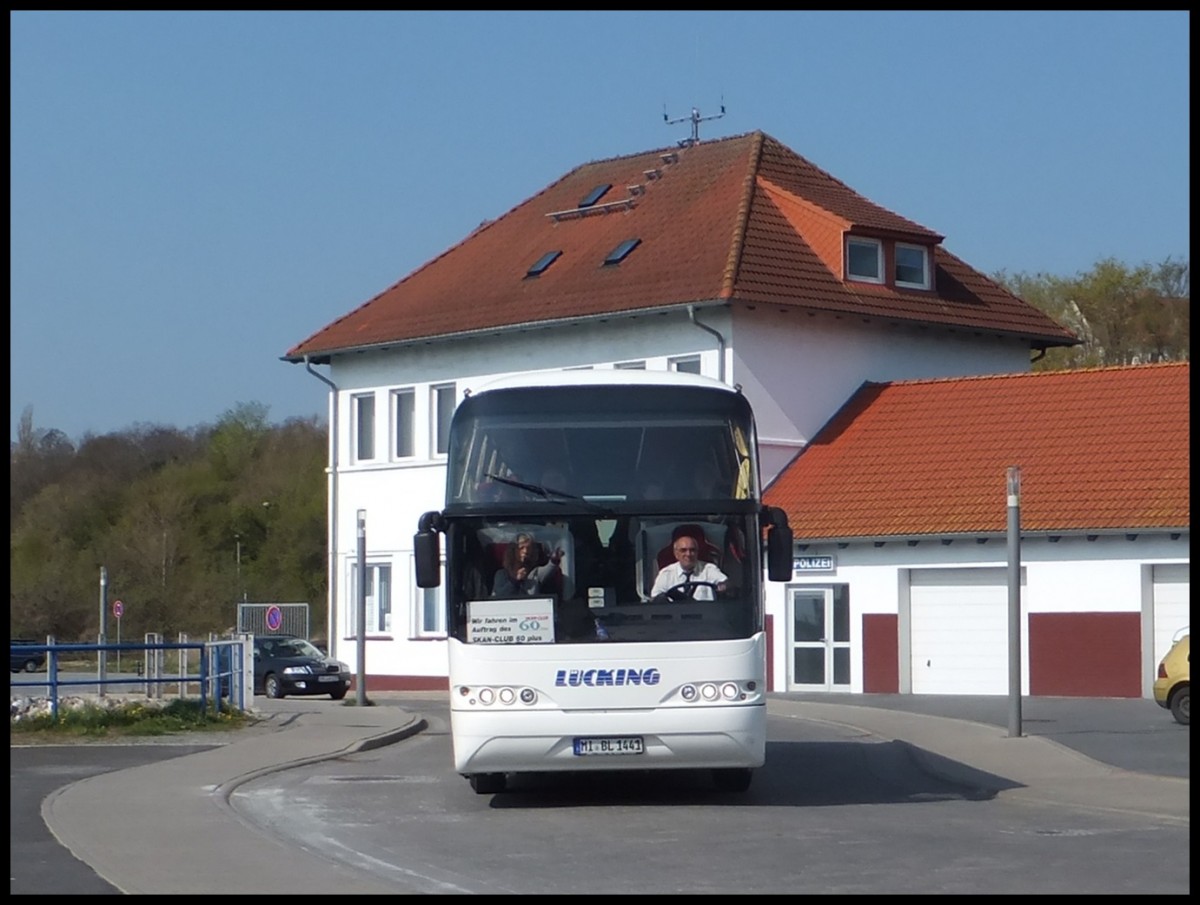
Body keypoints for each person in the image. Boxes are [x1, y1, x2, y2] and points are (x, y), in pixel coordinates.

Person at [650, 527, 727, 601]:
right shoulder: (666, 574)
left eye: (692, 550)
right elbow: (656, 598)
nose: (688, 554)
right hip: (676, 613)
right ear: (676, 554)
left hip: (706, 613)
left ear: (697, 552)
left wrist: (724, 586)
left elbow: (725, 583)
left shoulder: (708, 569)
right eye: (683, 550)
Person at [493, 532, 563, 596]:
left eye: (529, 548)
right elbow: (498, 596)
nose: (525, 551)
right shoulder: (501, 574)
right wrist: (515, 581)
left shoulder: (535, 573)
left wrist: (554, 559)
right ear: (513, 550)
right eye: (521, 548)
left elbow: (549, 568)